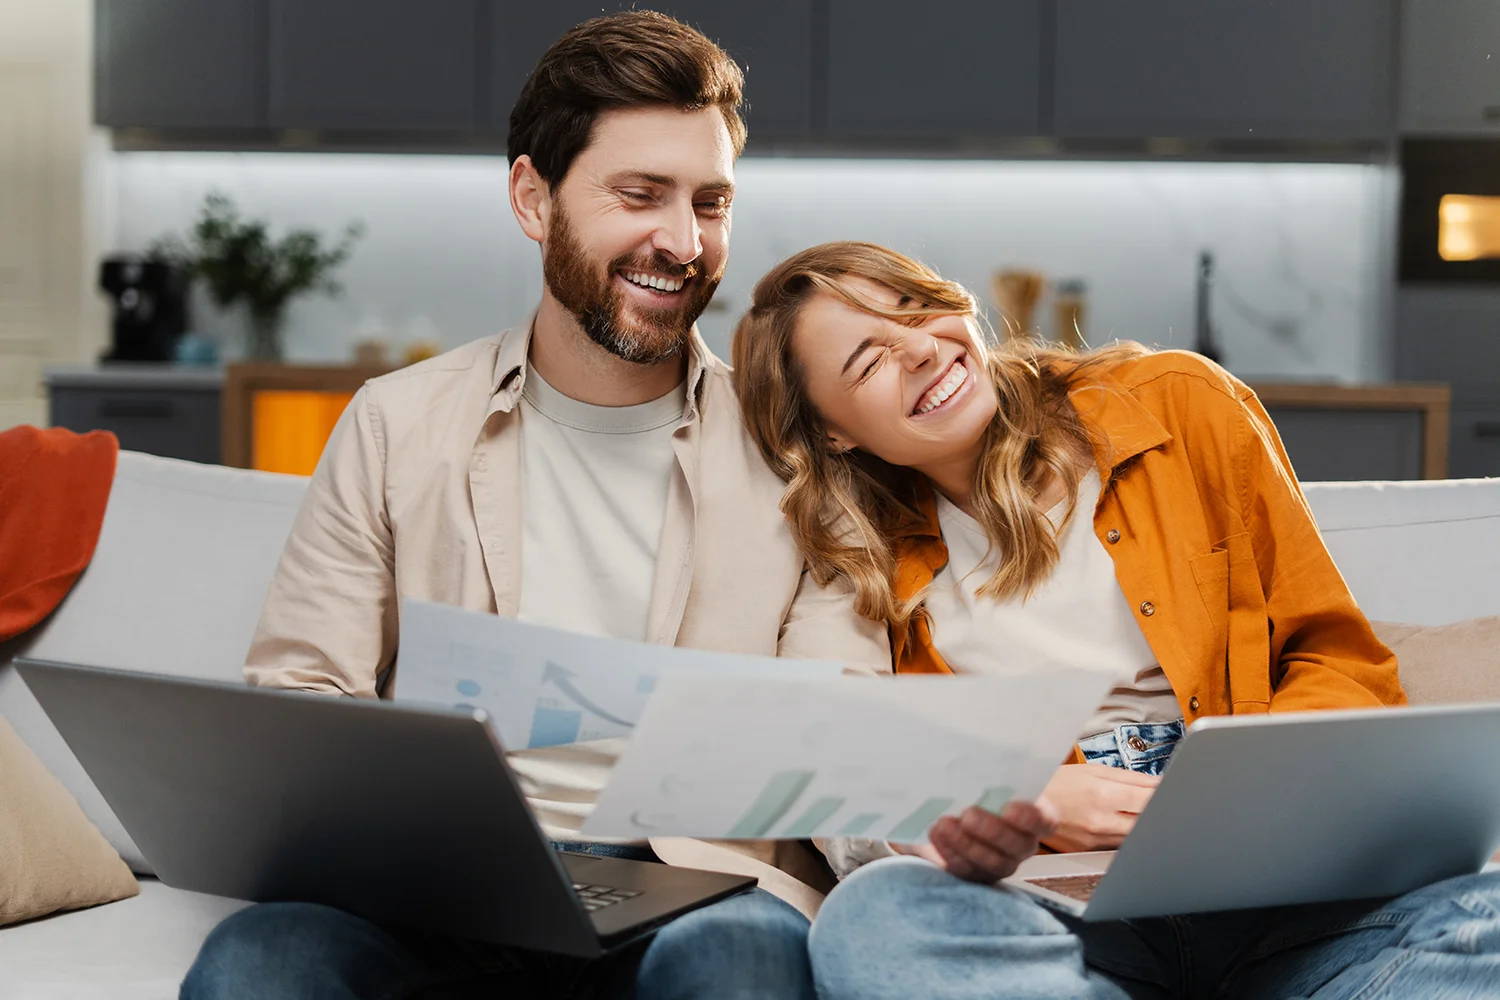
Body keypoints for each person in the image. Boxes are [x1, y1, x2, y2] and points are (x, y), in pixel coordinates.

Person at [180, 16, 890, 1000]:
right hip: (442, 889)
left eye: (711, 203)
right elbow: (303, 693)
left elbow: (837, 722)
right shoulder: (397, 423)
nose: (683, 243)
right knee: (263, 961)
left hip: (697, 888)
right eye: (641, 195)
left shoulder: (801, 451)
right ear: (532, 196)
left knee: (736, 962)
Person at [731, 240, 1500, 999]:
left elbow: (1332, 655)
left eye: (914, 306)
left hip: (1289, 908)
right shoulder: (858, 552)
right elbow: (831, 756)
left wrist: (1258, 803)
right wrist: (1020, 792)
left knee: (1485, 914)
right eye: (867, 361)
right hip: (1070, 924)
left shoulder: (1177, 403)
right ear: (834, 432)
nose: (922, 349)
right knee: (874, 923)